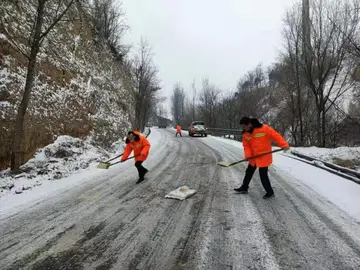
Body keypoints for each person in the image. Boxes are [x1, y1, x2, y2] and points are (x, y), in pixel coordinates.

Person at [234, 117, 289, 199]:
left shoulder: (264, 129)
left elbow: (275, 136)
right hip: (254, 157)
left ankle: (270, 192)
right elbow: (247, 146)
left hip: (264, 156)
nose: (244, 128)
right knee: (249, 171)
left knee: (263, 175)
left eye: (244, 126)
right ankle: (244, 188)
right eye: (243, 127)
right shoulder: (246, 134)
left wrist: (284, 145)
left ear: (249, 124)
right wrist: (248, 156)